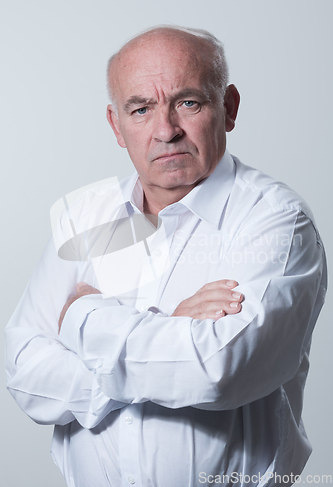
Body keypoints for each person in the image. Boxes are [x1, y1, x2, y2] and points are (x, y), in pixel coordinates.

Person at [5, 25, 327, 487]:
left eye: (188, 103)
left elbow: (218, 371)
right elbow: (25, 373)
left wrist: (84, 317)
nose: (166, 130)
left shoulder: (276, 221)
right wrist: (172, 325)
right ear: (117, 125)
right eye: (141, 109)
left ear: (229, 108)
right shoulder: (84, 217)